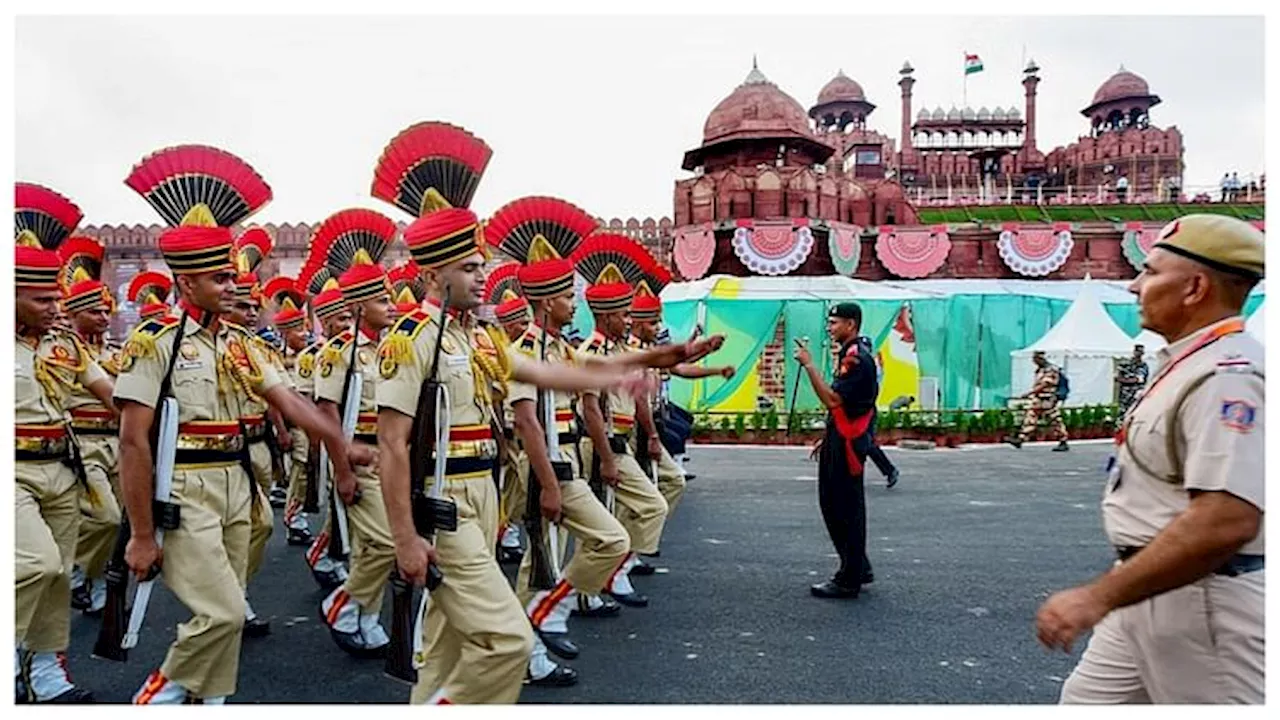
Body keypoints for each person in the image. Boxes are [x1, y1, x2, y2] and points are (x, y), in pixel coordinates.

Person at [115, 147, 358, 704]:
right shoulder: (156, 345)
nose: (232, 287)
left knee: (228, 600)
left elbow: (287, 399)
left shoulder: (242, 345)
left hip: (241, 482)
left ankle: (210, 697)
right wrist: (143, 532)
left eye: (232, 276)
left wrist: (341, 442)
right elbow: (132, 438)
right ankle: (164, 693)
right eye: (219, 278)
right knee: (224, 612)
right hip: (185, 491)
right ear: (187, 281)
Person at [1036, 214, 1264, 704]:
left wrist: (1094, 598)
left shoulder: (1228, 375)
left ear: (1195, 287)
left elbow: (1226, 519)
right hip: (1142, 588)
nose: (1135, 285)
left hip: (1201, 600)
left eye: (1151, 271)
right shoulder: (1187, 362)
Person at [15, 187, 114, 702]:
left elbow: (110, 394)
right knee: (38, 565)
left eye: (57, 297)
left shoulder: (65, 344)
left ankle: (47, 671)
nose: (57, 307)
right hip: (11, 472)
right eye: (43, 299)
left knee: (57, 576)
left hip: (63, 468)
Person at [309, 210, 400, 659]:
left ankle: (364, 617)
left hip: (387, 456)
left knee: (371, 546)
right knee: (387, 541)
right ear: (361, 306)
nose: (393, 308)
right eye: (383, 302)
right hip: (356, 457)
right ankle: (343, 604)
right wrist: (342, 470)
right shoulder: (338, 351)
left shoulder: (392, 348)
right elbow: (327, 413)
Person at [56, 237, 124, 619]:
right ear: (76, 312)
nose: (103, 317)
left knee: (117, 522)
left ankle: (97, 581)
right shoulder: (61, 351)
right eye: (95, 311)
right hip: (81, 443)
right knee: (106, 517)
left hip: (115, 442)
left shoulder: (116, 353)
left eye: (105, 311)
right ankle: (81, 569)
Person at [795, 303, 877, 599]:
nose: (830, 328)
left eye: (835, 323)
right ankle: (858, 565)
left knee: (840, 507)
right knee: (844, 505)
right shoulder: (853, 354)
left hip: (848, 443)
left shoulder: (856, 359)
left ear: (851, 325)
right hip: (842, 436)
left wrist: (809, 365)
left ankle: (849, 577)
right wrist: (827, 435)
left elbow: (832, 399)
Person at [856, 334, 900, 489]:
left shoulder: (871, 366)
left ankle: (889, 470)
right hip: (857, 408)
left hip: (866, 409)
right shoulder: (860, 363)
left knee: (865, 443)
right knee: (858, 443)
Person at [1007, 350, 1069, 451]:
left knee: (1054, 420)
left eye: (1035, 359)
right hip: (1039, 398)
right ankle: (1021, 439)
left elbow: (1045, 384)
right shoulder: (1040, 369)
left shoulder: (1051, 370)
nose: (1034, 361)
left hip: (1047, 399)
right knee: (1031, 417)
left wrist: (1030, 393)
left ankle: (1063, 440)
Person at [1114, 344, 1149, 417]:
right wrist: (1127, 380)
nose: (1139, 354)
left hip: (1136, 394)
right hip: (1125, 396)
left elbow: (1139, 380)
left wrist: (1125, 380)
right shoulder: (1125, 364)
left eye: (1141, 352)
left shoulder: (1143, 365)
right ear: (1134, 352)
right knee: (1122, 414)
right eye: (1137, 351)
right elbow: (1116, 377)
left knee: (1135, 414)